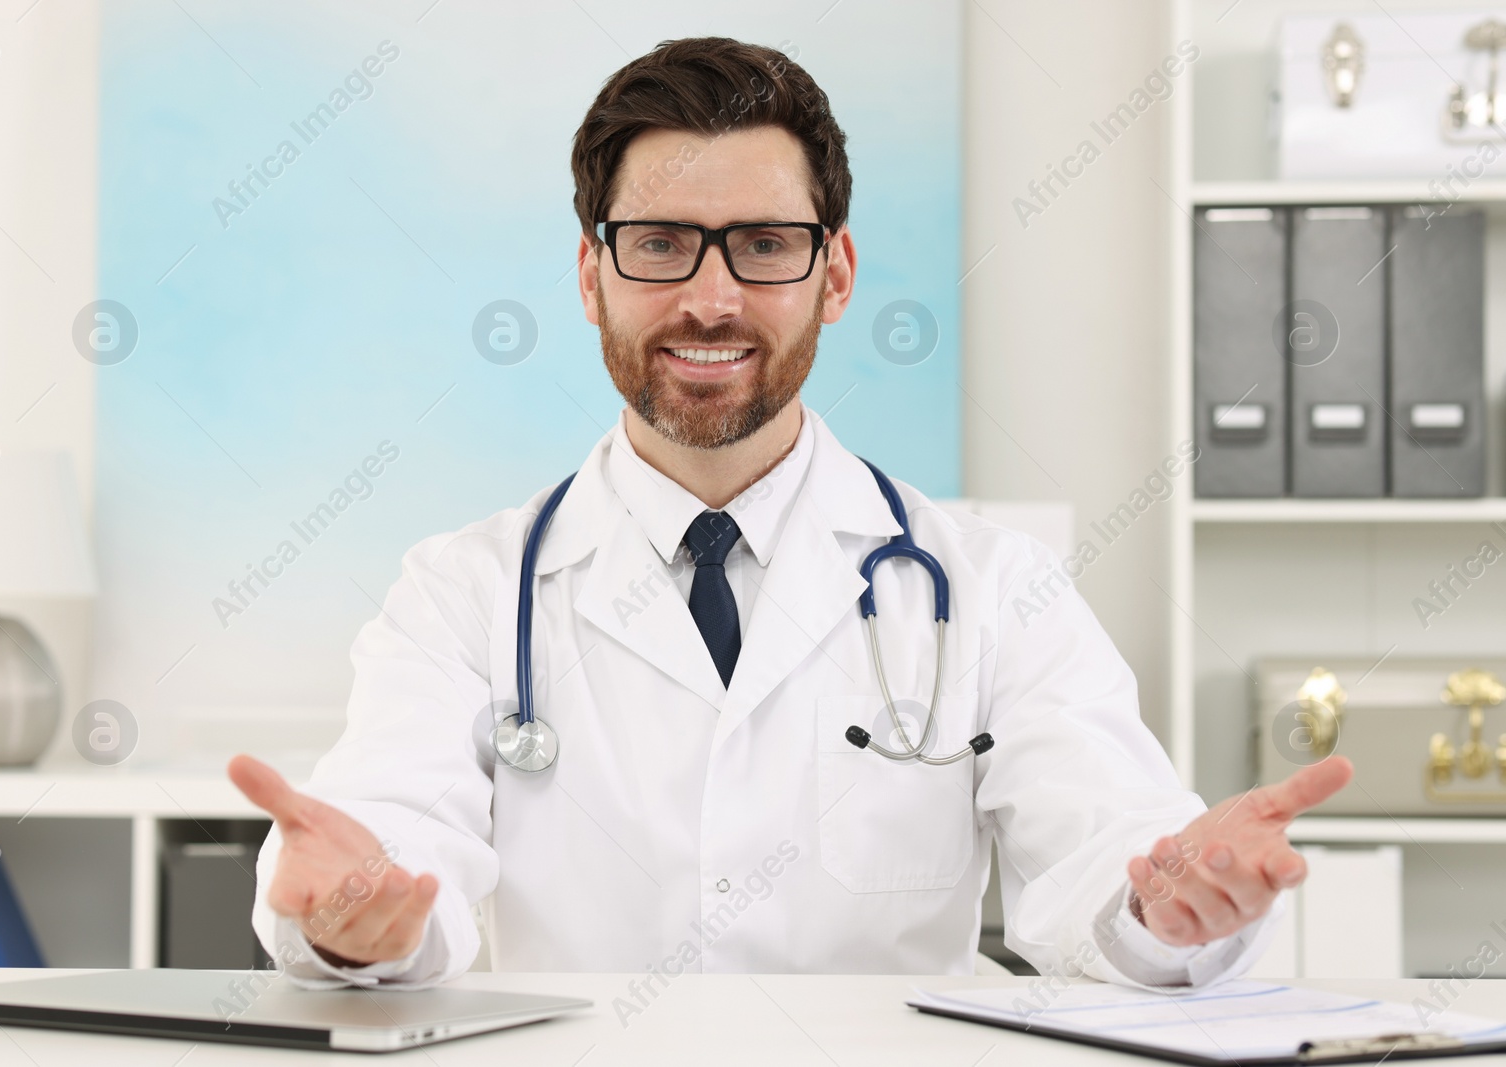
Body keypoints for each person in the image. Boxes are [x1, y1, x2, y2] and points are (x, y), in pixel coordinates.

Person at [230, 36, 1352, 991]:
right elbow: (389, 848)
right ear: (590, 274)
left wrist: (1168, 906)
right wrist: (353, 922)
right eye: (660, 242)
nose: (709, 298)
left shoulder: (996, 590)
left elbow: (1108, 862)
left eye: (764, 245)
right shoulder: (464, 592)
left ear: (835, 272)